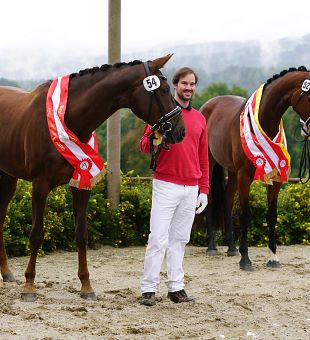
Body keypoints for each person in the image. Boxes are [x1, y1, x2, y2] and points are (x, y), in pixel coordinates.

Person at [139, 67, 209, 306]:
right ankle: (148, 289)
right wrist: (155, 138)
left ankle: (176, 288)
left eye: (192, 84)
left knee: (180, 239)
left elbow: (203, 157)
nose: (188, 88)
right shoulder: (162, 114)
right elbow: (143, 146)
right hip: (165, 183)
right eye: (184, 84)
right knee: (158, 238)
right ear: (176, 85)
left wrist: (205, 190)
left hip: (191, 188)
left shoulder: (200, 119)